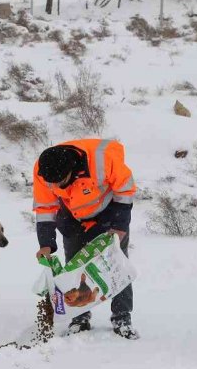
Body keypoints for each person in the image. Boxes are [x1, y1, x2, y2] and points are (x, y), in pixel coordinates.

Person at [32, 139, 138, 339]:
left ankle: (122, 318)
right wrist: (45, 244)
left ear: (72, 170)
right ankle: (79, 318)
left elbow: (125, 191)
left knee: (116, 266)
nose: (54, 186)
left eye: (60, 182)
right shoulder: (43, 169)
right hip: (72, 216)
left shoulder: (103, 159)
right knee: (73, 269)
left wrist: (119, 227)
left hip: (108, 213)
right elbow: (45, 207)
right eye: (52, 183)